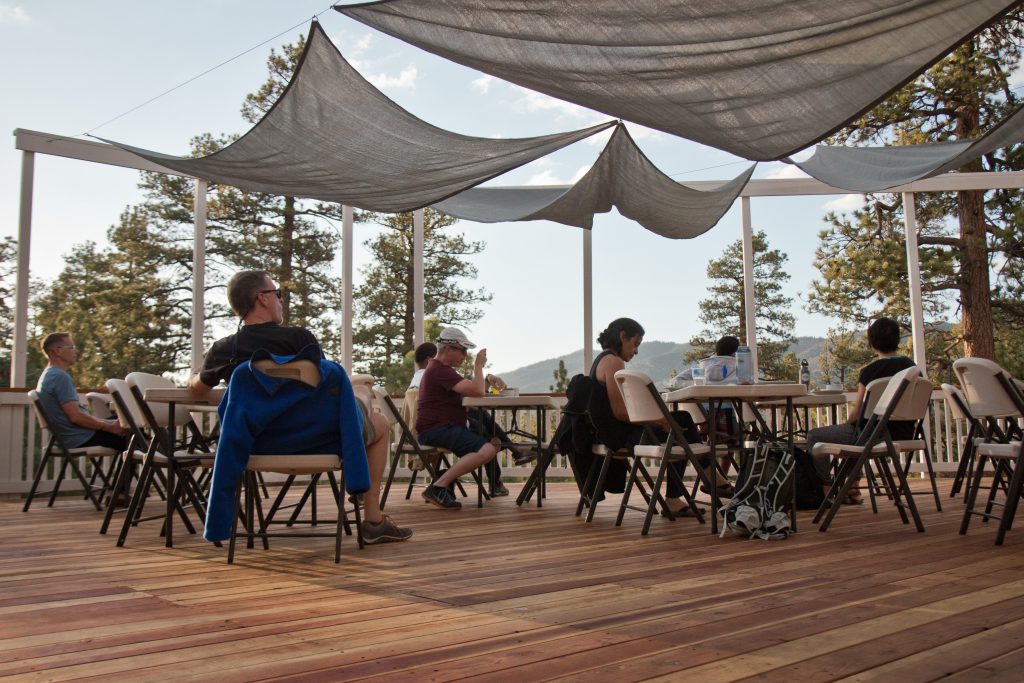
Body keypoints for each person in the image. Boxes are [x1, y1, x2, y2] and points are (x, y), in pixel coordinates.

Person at [191, 269, 411, 544]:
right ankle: (373, 519)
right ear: (262, 298)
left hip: (256, 447)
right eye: (277, 294)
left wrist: (196, 374)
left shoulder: (225, 350)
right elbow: (328, 388)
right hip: (319, 444)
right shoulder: (300, 340)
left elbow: (197, 389)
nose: (281, 300)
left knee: (361, 404)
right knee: (378, 421)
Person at [589, 318, 712, 516]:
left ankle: (703, 479)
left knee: (680, 421)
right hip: (621, 436)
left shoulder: (602, 360)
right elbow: (619, 411)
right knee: (680, 425)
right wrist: (657, 420)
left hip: (614, 433)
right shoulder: (613, 362)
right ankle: (704, 479)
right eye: (635, 344)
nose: (636, 351)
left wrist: (658, 419)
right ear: (622, 336)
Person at [416, 327, 530, 508]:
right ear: (449, 349)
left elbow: (473, 390)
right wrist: (478, 365)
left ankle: (444, 479)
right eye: (463, 350)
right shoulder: (439, 370)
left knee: (494, 443)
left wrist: (488, 380)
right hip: (437, 428)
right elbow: (477, 391)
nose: (465, 355)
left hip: (444, 426)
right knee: (487, 449)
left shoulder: (442, 369)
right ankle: (438, 486)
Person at [807, 317, 915, 505]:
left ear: (872, 343)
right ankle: (852, 489)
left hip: (873, 435)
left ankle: (826, 489)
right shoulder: (912, 369)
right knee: (859, 436)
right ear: (898, 340)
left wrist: (848, 424)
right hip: (904, 433)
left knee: (816, 436)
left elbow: (857, 414)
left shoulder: (870, 372)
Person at [36, 332, 128, 452]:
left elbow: (77, 416)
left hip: (69, 438)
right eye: (72, 347)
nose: (76, 351)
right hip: (80, 438)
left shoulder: (49, 375)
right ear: (58, 351)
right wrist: (110, 427)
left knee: (127, 419)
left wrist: (111, 423)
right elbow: (76, 417)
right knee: (137, 429)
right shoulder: (59, 377)